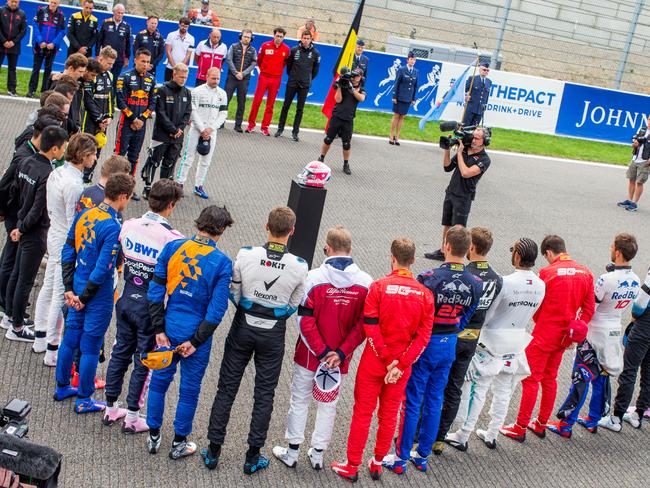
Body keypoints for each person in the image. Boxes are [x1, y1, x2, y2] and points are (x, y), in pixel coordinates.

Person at [203, 207, 308, 474]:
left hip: (243, 326)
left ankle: (213, 451)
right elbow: (295, 303)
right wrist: (275, 313)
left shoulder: (246, 254)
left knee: (226, 388)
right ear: (292, 231)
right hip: (273, 331)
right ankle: (252, 456)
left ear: (266, 227)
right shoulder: (299, 265)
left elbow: (234, 291)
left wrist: (248, 309)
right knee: (264, 394)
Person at [330, 238, 433, 482]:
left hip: (375, 362)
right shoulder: (425, 295)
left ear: (392, 257)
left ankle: (352, 465)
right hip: (401, 368)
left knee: (362, 413)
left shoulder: (378, 287)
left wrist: (387, 361)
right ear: (414, 261)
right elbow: (423, 336)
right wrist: (401, 364)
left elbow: (370, 326)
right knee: (389, 415)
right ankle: (377, 463)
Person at [272, 226, 372, 470]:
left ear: (327, 248)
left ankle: (293, 452)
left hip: (309, 355)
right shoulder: (366, 282)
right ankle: (317, 455)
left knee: (300, 400)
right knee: (329, 404)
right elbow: (362, 326)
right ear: (350, 249)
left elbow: (304, 320)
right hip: (340, 360)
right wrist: (339, 353)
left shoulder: (313, 277)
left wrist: (320, 351)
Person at [386, 226, 481, 475]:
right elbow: (468, 316)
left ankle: (401, 457)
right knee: (435, 399)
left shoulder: (428, 277)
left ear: (447, 246)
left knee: (413, 400)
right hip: (449, 342)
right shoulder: (476, 283)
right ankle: (423, 455)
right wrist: (453, 327)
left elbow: (417, 314)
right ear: (468, 249)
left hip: (426, 342)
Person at [146, 205, 233, 459]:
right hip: (198, 333)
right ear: (222, 230)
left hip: (169, 325)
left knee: (159, 382)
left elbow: (155, 293)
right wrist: (195, 341)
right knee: (189, 390)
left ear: (199, 223)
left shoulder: (173, 247)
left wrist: (159, 329)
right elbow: (217, 312)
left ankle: (153, 435)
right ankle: (178, 443)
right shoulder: (222, 263)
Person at [447, 238, 545, 449]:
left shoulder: (506, 281)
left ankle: (463, 435)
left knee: (478, 389)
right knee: (504, 391)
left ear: (517, 255)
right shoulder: (541, 284)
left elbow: (489, 315)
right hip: (517, 341)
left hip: (492, 341)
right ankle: (492, 434)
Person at [103, 179, 183, 434]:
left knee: (120, 352)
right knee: (143, 361)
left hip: (126, 298)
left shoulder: (128, 224)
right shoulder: (173, 238)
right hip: (151, 307)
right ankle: (134, 416)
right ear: (171, 205)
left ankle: (110, 407)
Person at [500, 235, 595, 442]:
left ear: (549, 253)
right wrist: (575, 329)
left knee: (531, 379)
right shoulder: (586, 273)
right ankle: (541, 423)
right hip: (564, 337)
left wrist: (539, 320)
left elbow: (537, 304)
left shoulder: (547, 272)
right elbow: (588, 310)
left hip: (544, 333)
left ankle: (520, 426)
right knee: (550, 379)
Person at [53, 173, 134, 413]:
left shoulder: (84, 214)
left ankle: (62, 386)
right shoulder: (113, 226)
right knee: (90, 345)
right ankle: (84, 399)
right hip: (96, 295)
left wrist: (69, 289)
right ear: (122, 196)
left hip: (76, 286)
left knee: (70, 337)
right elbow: (103, 269)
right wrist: (84, 297)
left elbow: (67, 251)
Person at [549, 234, 640, 437]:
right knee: (601, 378)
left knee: (580, 377)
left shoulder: (605, 279)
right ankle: (593, 419)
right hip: (613, 333)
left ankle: (566, 424)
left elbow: (591, 307)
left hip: (594, 334)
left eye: (611, 246)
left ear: (617, 252)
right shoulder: (635, 280)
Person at [31, 134, 98, 365]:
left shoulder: (57, 172)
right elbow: (74, 221)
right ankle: (52, 349)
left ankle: (40, 337)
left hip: (54, 233)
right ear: (83, 155)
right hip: (63, 239)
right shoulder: (74, 184)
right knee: (60, 293)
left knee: (49, 286)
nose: (95, 158)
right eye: (92, 154)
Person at [436, 227, 502, 454]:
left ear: (470, 247)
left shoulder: (468, 277)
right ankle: (441, 437)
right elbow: (491, 310)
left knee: (438, 386)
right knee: (456, 388)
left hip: (453, 334)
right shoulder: (497, 278)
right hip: (473, 339)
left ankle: (424, 434)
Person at [3, 126, 69, 342]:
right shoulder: (48, 173)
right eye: (64, 147)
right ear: (55, 149)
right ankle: (18, 326)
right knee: (25, 280)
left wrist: (18, 225)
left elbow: (17, 193)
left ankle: (10, 317)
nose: (64, 151)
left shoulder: (26, 162)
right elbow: (38, 207)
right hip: (34, 231)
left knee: (16, 275)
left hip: (21, 224)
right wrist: (22, 229)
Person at [424, 127, 491, 261]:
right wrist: (447, 149)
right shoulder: (465, 150)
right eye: (473, 136)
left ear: (485, 141)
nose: (473, 140)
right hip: (451, 192)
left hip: (464, 197)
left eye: (477, 138)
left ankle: (455, 256)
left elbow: (466, 173)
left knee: (459, 230)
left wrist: (460, 153)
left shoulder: (484, 159)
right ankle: (443, 251)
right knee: (447, 224)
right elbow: (447, 167)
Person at [599, 267, 650, 432]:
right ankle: (638, 414)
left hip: (645, 326)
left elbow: (641, 301)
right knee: (648, 372)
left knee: (629, 370)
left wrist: (635, 317)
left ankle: (616, 418)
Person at [140, 63, 191, 200]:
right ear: (174, 74)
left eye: (185, 77)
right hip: (161, 134)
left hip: (177, 137)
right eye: (181, 77)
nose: (183, 80)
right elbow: (160, 113)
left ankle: (164, 190)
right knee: (153, 161)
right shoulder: (162, 90)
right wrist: (172, 129)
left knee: (170, 163)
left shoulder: (187, 92)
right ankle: (148, 187)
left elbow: (187, 114)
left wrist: (179, 130)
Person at [176, 67, 227, 199]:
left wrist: (211, 129)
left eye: (218, 79)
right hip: (196, 129)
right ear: (206, 77)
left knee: (206, 160)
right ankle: (179, 184)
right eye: (213, 78)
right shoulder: (197, 91)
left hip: (211, 132)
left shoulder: (222, 94)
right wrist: (202, 128)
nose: (216, 81)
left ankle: (199, 186)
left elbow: (223, 114)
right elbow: (192, 112)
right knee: (188, 158)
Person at [115, 47, 155, 190]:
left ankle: (129, 187)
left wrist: (141, 120)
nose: (145, 64)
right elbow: (120, 101)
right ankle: (114, 185)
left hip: (141, 125)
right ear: (135, 60)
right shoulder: (124, 77)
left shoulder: (151, 79)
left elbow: (152, 103)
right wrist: (133, 119)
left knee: (134, 156)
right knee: (120, 155)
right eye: (143, 61)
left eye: (148, 62)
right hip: (126, 123)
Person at [317, 68, 365, 176]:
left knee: (346, 144)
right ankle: (321, 157)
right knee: (328, 139)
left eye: (356, 76)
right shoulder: (344, 84)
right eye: (353, 76)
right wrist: (339, 87)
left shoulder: (361, 88)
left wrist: (352, 90)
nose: (353, 78)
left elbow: (361, 98)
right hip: (337, 116)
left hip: (348, 119)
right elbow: (338, 100)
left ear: (360, 77)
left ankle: (345, 164)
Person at [274, 30, 320, 142]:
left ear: (311, 39)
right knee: (286, 106)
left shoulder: (315, 53)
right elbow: (289, 68)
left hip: (304, 85)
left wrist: (306, 79)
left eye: (308, 38)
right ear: (301, 38)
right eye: (304, 38)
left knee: (300, 109)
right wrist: (293, 77)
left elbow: (315, 71)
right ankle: (280, 129)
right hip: (292, 83)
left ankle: (295, 132)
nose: (305, 40)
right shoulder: (294, 50)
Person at [81, 46, 117, 183]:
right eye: (108, 63)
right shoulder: (91, 75)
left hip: (102, 122)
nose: (110, 66)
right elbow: (88, 100)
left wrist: (109, 115)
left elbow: (109, 97)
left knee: (98, 149)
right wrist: (99, 119)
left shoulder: (110, 75)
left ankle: (87, 177)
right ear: (100, 58)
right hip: (89, 120)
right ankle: (79, 176)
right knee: (85, 148)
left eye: (112, 64)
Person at [246, 27, 289, 136]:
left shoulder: (286, 49)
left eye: (281, 36)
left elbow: (284, 63)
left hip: (276, 79)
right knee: (257, 101)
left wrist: (276, 72)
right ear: (274, 35)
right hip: (264, 77)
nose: (278, 38)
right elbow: (259, 60)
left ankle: (265, 127)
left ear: (283, 37)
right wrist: (265, 70)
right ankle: (251, 125)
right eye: (277, 36)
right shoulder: (265, 46)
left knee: (270, 104)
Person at [27, 0, 66, 97]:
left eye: (55, 3)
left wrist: (54, 43)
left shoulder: (61, 16)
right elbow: (35, 26)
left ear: (59, 4)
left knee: (48, 69)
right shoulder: (41, 11)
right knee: (36, 68)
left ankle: (45, 91)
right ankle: (31, 90)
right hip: (40, 45)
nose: (53, 4)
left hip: (52, 47)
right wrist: (40, 41)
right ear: (49, 2)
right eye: (52, 2)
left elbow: (63, 31)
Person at [225, 29, 256, 132]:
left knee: (241, 102)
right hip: (232, 77)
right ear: (241, 37)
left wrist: (243, 73)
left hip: (244, 79)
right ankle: (220, 122)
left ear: (251, 39)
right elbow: (229, 60)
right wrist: (236, 73)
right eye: (244, 36)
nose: (246, 38)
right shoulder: (233, 46)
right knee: (226, 99)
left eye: (248, 37)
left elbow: (253, 64)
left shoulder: (253, 50)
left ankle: (238, 125)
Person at [50, 53, 88, 134]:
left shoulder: (75, 84)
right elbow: (56, 112)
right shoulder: (58, 85)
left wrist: (77, 126)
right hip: (60, 132)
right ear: (71, 68)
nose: (81, 75)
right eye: (80, 71)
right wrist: (74, 128)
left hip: (71, 129)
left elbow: (76, 109)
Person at [618, 118, 650, 212]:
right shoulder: (642, 129)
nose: (649, 122)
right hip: (635, 158)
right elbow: (634, 143)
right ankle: (629, 200)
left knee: (639, 182)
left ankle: (634, 203)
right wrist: (634, 144)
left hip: (645, 161)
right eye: (649, 119)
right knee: (631, 180)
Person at [95, 4, 130, 89]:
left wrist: (127, 58)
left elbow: (128, 43)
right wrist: (97, 54)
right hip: (106, 56)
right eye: (118, 13)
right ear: (114, 12)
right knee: (101, 77)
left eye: (122, 13)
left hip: (119, 58)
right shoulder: (106, 22)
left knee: (114, 80)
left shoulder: (126, 26)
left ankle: (111, 98)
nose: (120, 15)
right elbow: (99, 40)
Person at [389, 51, 418, 146]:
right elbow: (396, 83)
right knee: (396, 116)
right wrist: (394, 96)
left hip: (408, 98)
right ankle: (391, 135)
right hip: (399, 97)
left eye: (414, 60)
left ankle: (397, 137)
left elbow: (415, 86)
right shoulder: (401, 69)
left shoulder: (416, 72)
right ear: (407, 60)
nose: (413, 61)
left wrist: (413, 98)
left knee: (402, 117)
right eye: (411, 59)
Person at [0, 0, 26, 96]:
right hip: (1, 44)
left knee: (12, 68)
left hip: (14, 46)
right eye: (12, 1)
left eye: (16, 2)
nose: (14, 4)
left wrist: (13, 42)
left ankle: (12, 89)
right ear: (8, 1)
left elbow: (23, 31)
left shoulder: (22, 14)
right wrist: (4, 41)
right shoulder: (1, 10)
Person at [163, 17, 194, 82]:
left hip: (182, 69)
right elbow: (168, 51)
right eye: (182, 25)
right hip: (170, 67)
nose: (184, 28)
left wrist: (179, 67)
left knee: (179, 89)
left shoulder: (191, 38)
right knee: (167, 88)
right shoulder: (171, 35)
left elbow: (188, 55)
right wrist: (174, 67)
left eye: (186, 26)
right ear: (179, 24)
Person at [463, 61, 491, 126]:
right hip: (470, 108)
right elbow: (464, 90)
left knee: (474, 129)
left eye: (487, 70)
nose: (486, 72)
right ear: (480, 69)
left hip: (480, 110)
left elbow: (486, 95)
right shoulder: (472, 78)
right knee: (465, 127)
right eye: (484, 70)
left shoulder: (489, 82)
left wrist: (485, 106)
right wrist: (465, 96)